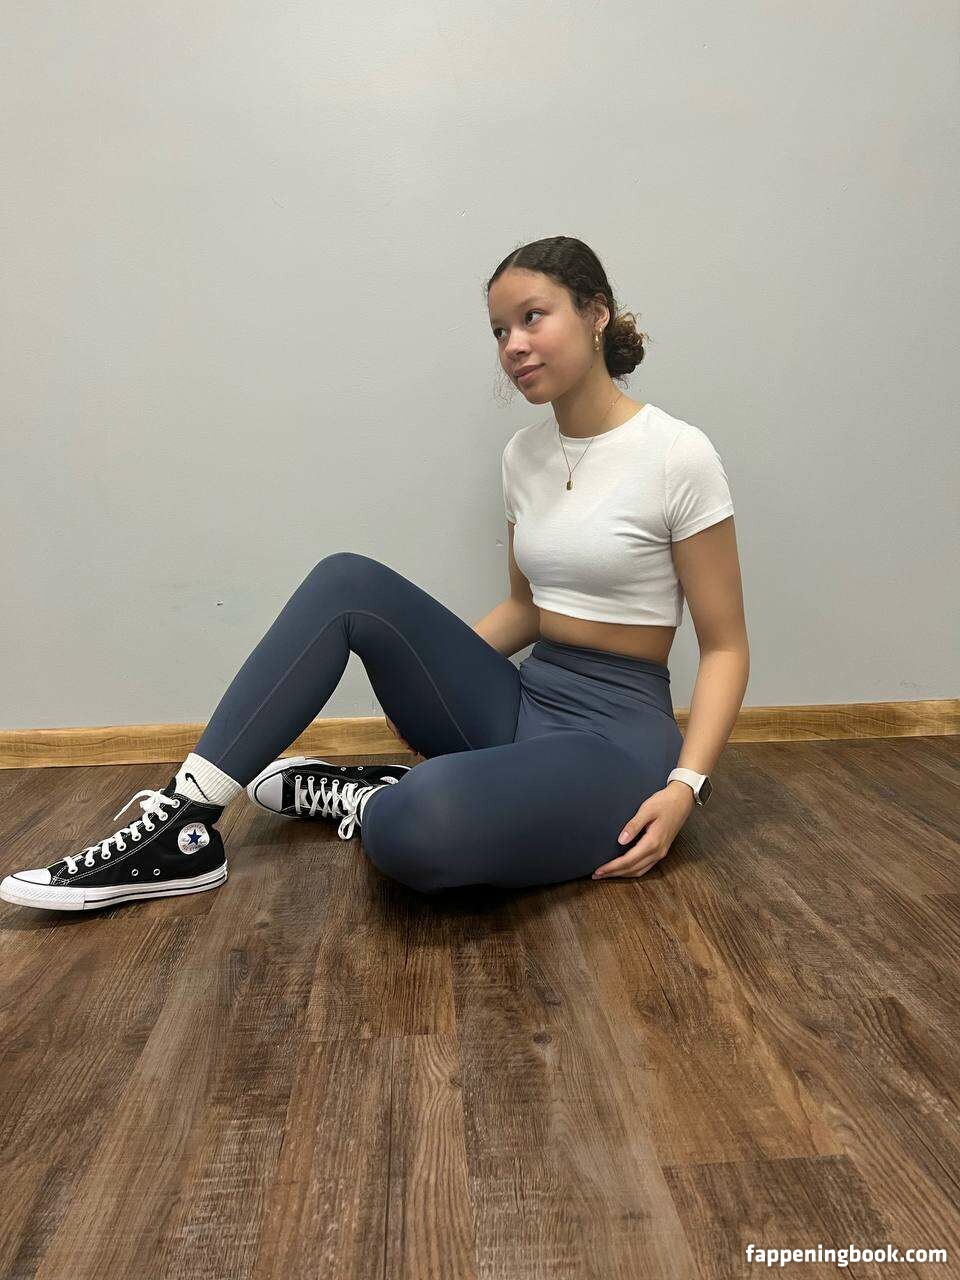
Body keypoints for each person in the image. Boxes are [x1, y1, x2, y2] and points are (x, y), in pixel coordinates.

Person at [1, 235, 749, 912]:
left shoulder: (675, 454)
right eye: (499, 331)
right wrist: (432, 678)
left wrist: (686, 788)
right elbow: (526, 607)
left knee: (410, 829)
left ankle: (374, 796)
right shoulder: (524, 456)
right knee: (346, 581)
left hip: (614, 741)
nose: (513, 345)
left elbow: (724, 647)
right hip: (523, 701)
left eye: (532, 318)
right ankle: (183, 824)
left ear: (596, 314)